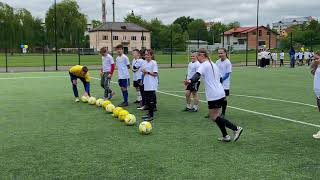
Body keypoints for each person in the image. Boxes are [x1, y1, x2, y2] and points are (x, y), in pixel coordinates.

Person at [186, 48, 243, 142]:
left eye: (197, 56)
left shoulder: (204, 65)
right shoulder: (213, 64)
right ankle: (226, 136)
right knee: (216, 116)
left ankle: (236, 129)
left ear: (202, 55)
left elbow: (197, 75)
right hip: (220, 92)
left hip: (213, 94)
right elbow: (220, 78)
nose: (197, 58)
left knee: (214, 116)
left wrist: (189, 80)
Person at [141, 49, 158, 121]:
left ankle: (151, 116)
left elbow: (155, 74)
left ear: (151, 55)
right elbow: (144, 72)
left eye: (148, 54)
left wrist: (147, 72)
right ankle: (149, 114)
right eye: (145, 54)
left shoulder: (153, 63)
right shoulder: (144, 63)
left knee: (151, 100)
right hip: (146, 83)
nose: (146, 56)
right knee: (147, 100)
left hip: (151, 84)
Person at [216, 48, 232, 117]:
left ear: (225, 53)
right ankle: (213, 112)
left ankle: (223, 113)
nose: (220, 54)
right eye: (219, 53)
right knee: (215, 98)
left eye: (221, 53)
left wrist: (221, 80)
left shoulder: (228, 62)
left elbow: (227, 74)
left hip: (225, 84)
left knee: (223, 99)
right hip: (217, 83)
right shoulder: (217, 62)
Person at [311, 51, 320, 139]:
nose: (315, 60)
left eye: (317, 58)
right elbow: (312, 71)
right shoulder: (317, 67)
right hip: (318, 95)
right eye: (314, 58)